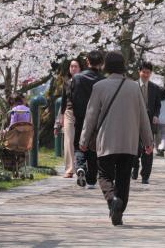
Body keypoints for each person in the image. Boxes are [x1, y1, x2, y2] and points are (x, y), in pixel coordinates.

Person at [80, 50, 153, 226]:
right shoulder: (134, 87)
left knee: (104, 175)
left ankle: (112, 200)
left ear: (107, 66)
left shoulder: (99, 87)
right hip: (129, 141)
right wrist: (148, 141)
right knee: (123, 177)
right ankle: (118, 211)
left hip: (106, 140)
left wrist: (83, 140)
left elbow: (90, 116)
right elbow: (143, 116)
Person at [71, 50, 105, 189]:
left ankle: (80, 167)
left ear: (87, 61)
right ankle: (91, 180)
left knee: (79, 144)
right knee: (93, 148)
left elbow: (72, 98)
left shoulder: (77, 78)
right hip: (97, 119)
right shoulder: (103, 81)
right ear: (101, 64)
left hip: (80, 117)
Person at [131, 61, 163, 184]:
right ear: (139, 72)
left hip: (149, 122)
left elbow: (158, 105)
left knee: (148, 148)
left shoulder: (155, 88)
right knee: (134, 148)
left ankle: (145, 175)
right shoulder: (132, 86)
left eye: (148, 72)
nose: (145, 74)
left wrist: (156, 115)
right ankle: (134, 166)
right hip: (134, 121)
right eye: (143, 72)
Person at [59, 58, 81, 177]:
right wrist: (61, 116)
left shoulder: (84, 80)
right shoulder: (66, 81)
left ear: (80, 68)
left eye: (76, 66)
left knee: (82, 140)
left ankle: (82, 166)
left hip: (83, 112)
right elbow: (63, 99)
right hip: (69, 112)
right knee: (68, 140)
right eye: (71, 66)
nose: (73, 68)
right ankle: (69, 169)